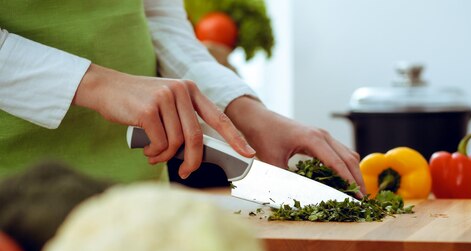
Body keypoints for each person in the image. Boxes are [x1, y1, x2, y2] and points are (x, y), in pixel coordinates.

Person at [0, 0, 365, 194]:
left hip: (140, 195)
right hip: (14, 198)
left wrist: (244, 110)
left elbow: (158, 18)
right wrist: (94, 83)